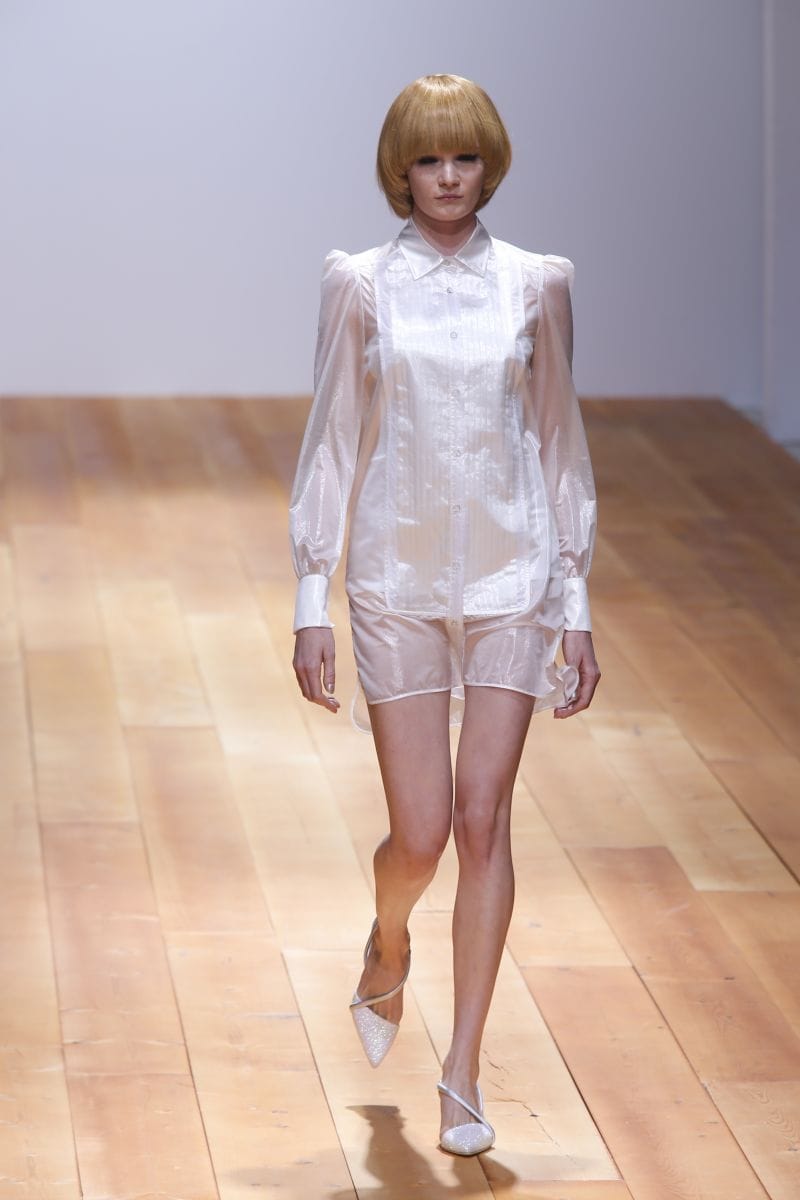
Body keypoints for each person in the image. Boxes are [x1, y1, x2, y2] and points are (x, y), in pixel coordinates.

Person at [289, 74, 600, 1156]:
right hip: (395, 575)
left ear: (488, 165)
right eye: (428, 160)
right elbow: (333, 437)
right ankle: (388, 937)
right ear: (401, 172)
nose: (449, 178)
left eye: (464, 158)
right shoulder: (361, 285)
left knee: (482, 821)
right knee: (419, 836)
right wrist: (311, 596)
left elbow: (558, 442)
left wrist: (575, 601)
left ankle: (461, 1069)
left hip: (514, 575)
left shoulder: (537, 284)